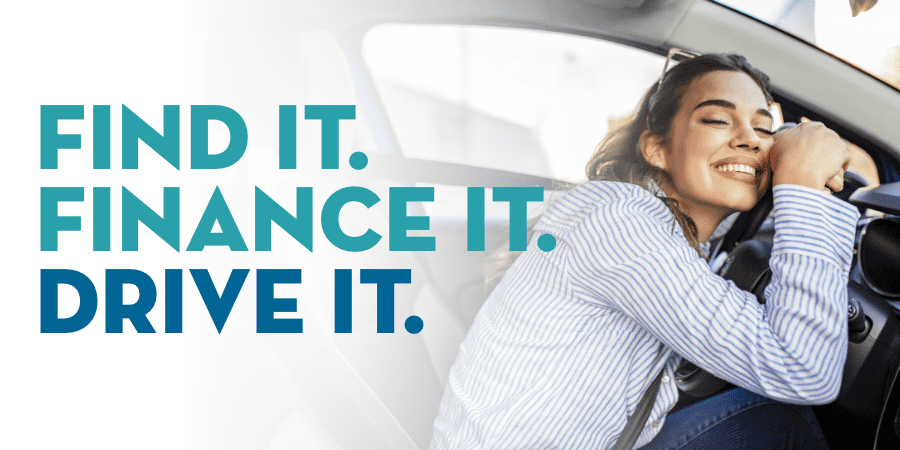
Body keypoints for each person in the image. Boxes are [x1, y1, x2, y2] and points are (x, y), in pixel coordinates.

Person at [430, 52, 858, 449]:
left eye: (764, 129)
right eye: (716, 120)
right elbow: (804, 370)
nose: (750, 139)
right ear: (656, 149)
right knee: (778, 419)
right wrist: (801, 187)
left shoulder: (671, 234)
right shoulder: (621, 221)